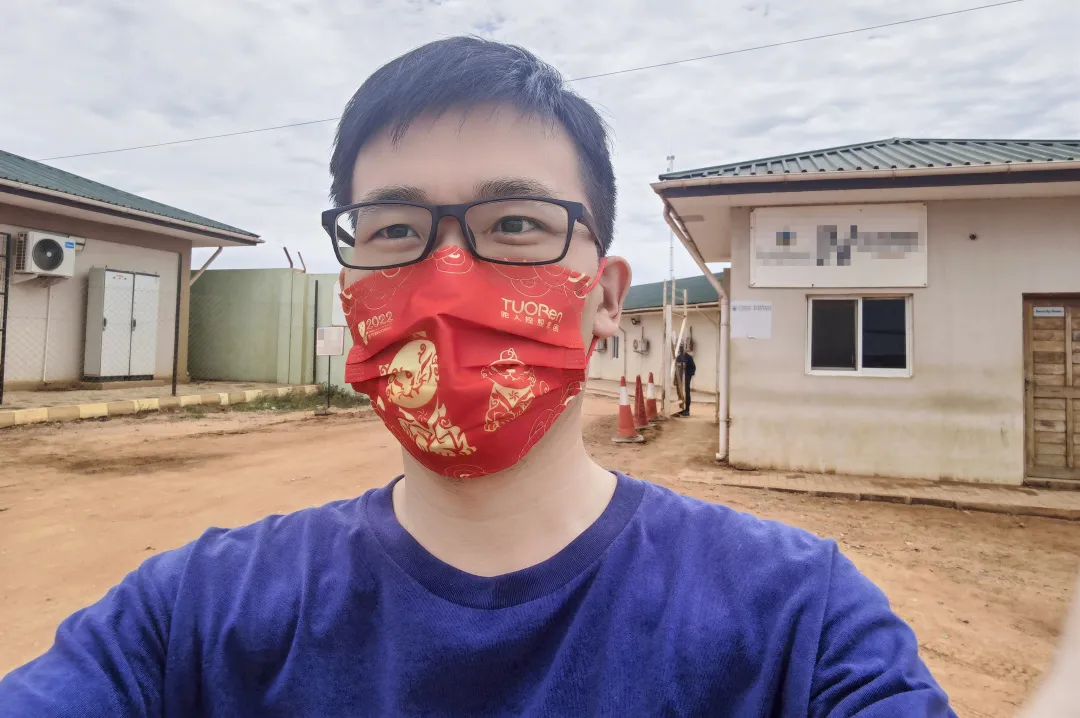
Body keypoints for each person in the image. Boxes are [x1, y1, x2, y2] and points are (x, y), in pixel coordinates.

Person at [0, 37, 955, 716]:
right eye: (394, 229)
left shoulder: (797, 624)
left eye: (517, 224)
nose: (448, 280)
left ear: (605, 295)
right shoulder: (194, 618)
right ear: (349, 286)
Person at [675, 344, 696, 416]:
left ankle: (687, 410)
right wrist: (676, 379)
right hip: (680, 380)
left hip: (686, 379)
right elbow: (676, 369)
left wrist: (688, 376)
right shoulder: (678, 358)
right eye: (679, 349)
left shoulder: (689, 358)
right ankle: (681, 408)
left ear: (684, 349)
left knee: (686, 393)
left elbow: (693, 368)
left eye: (681, 349)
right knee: (679, 394)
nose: (680, 350)